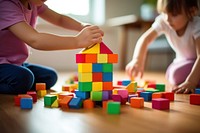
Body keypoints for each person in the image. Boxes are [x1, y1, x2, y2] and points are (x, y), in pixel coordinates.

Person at [0, 0, 104, 94]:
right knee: (24, 78)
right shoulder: (6, 6)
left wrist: (82, 26)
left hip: (16, 63)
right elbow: (35, 39)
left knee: (50, 76)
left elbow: (60, 19)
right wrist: (76, 41)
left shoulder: (33, 3)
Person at [126, 0, 200, 94]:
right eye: (164, 12)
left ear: (192, 11)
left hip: (196, 61)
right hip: (183, 61)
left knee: (176, 75)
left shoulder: (196, 25)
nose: (167, 19)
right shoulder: (164, 21)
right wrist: (137, 60)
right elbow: (145, 39)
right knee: (171, 74)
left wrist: (191, 82)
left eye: (174, 14)